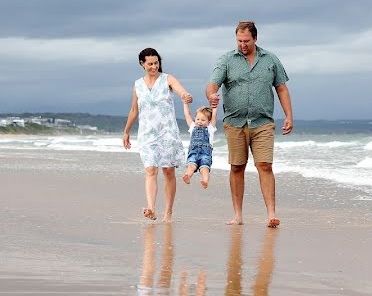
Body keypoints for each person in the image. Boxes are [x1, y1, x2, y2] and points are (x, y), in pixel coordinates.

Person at [205, 21, 293, 227]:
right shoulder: (226, 60)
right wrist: (212, 96)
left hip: (263, 122)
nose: (242, 44)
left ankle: (271, 214)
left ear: (255, 38)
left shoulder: (270, 59)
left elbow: (281, 89)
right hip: (235, 122)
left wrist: (289, 115)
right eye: (239, 40)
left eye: (246, 41)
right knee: (237, 167)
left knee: (265, 165)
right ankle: (238, 215)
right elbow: (212, 85)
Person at [123, 48, 192, 222]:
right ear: (142, 64)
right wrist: (126, 132)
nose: (154, 66)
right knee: (150, 169)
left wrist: (185, 95)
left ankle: (168, 212)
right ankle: (151, 208)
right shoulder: (138, 84)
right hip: (147, 134)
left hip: (167, 133)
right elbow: (134, 110)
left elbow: (180, 90)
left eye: (156, 63)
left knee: (168, 171)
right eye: (150, 64)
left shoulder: (167, 79)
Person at [181, 102, 219, 188]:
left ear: (208, 121)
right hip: (193, 152)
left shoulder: (210, 128)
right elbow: (187, 114)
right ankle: (187, 176)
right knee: (191, 165)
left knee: (204, 168)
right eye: (198, 119)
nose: (199, 122)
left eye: (203, 120)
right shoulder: (192, 127)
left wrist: (215, 107)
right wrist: (185, 104)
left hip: (205, 153)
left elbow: (214, 116)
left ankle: (205, 180)